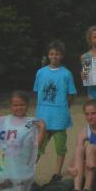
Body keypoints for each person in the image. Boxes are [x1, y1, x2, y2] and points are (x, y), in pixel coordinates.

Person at [33, 40, 77, 181]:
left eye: (57, 54)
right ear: (48, 55)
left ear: (62, 55)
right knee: (39, 146)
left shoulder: (66, 74)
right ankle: (29, 172)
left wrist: (63, 109)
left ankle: (57, 173)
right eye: (52, 54)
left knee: (60, 147)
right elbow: (37, 92)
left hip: (59, 118)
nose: (54, 56)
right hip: (43, 118)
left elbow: (71, 95)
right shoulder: (40, 72)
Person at [0, 91, 45, 190]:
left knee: (25, 188)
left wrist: (42, 129)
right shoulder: (5, 121)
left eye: (22, 105)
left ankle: (25, 183)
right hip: (7, 162)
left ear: (28, 105)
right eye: (15, 105)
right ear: (10, 106)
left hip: (23, 161)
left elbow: (37, 145)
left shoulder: (32, 123)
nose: (19, 108)